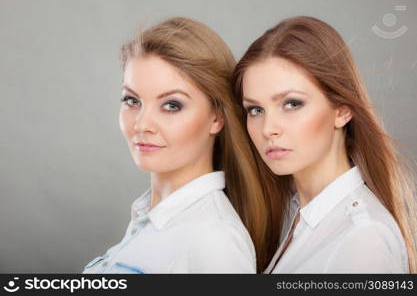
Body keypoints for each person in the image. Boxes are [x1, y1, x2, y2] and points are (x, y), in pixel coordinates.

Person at [83, 17, 269, 273]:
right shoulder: (148, 217)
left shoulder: (214, 241)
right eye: (132, 100)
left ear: (217, 117)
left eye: (172, 105)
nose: (142, 124)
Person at [232, 16, 417, 273]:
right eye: (255, 109)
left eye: (292, 104)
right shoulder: (299, 214)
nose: (268, 129)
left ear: (342, 110)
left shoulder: (363, 241)